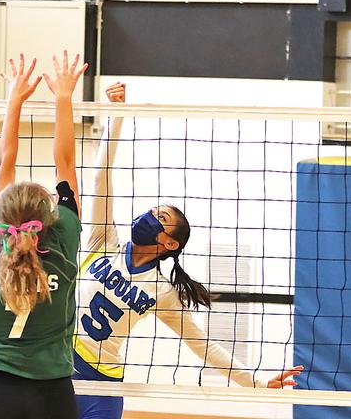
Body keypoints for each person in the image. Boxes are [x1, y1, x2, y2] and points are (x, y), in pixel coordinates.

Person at [74, 82, 303, 419]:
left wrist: (256, 382)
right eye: (153, 211)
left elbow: (202, 344)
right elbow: (101, 177)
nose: (150, 216)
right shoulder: (103, 242)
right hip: (57, 369)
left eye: (160, 217)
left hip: (103, 383)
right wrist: (116, 115)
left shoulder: (163, 291)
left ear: (170, 244)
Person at [0, 52, 87, 419]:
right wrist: (64, 97)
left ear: (3, 215)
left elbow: (4, 162)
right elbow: (66, 164)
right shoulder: (65, 236)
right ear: (49, 215)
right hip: (52, 390)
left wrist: (14, 98)